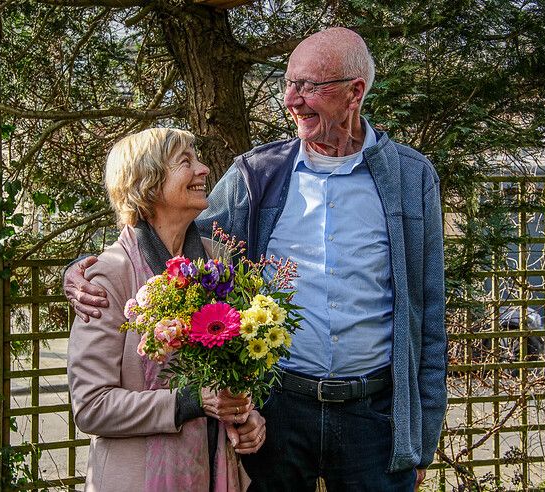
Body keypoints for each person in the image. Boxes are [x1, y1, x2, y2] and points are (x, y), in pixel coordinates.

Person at [66, 27, 447, 491]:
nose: (293, 99)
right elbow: (168, 236)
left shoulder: (410, 178)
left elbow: (428, 314)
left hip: (374, 415)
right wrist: (89, 269)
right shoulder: (256, 173)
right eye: (289, 83)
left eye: (310, 86)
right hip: (279, 411)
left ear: (355, 92)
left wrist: (421, 436)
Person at [67, 127, 266, 492]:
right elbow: (91, 405)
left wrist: (246, 414)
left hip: (214, 473)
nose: (204, 169)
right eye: (185, 162)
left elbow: (230, 373)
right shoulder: (107, 276)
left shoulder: (216, 262)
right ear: (148, 184)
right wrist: (189, 401)